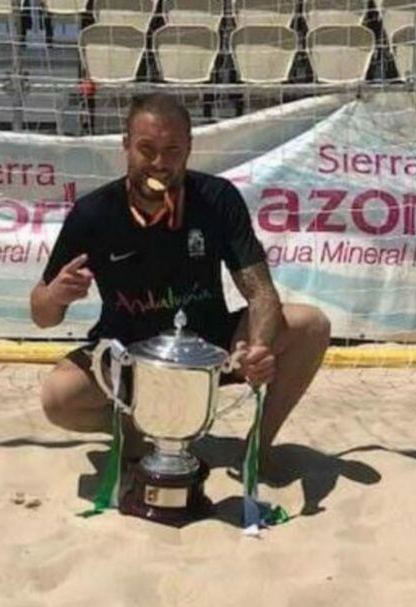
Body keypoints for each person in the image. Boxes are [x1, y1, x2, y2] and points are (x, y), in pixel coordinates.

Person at [30, 93, 330, 467]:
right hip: (128, 357)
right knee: (58, 397)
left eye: (172, 149)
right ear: (125, 146)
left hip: (209, 353)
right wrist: (57, 295)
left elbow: (261, 293)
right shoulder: (94, 213)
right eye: (147, 149)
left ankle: (257, 449)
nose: (159, 163)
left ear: (189, 148)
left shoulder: (217, 199)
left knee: (311, 325)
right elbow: (42, 315)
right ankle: (137, 436)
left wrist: (259, 349)